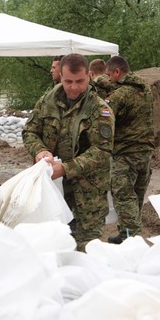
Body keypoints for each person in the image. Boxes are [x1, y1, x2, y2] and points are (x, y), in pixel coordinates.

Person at [22, 53, 115, 250]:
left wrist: (65, 168)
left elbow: (102, 151)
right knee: (51, 244)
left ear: (89, 76)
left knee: (88, 249)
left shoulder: (99, 110)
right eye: (68, 81)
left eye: (80, 81)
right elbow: (30, 131)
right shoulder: (47, 102)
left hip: (88, 194)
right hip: (53, 189)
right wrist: (40, 151)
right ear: (61, 77)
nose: (74, 87)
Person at [103, 55, 155, 243]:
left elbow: (104, 117)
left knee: (123, 195)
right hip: (146, 152)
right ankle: (125, 232)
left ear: (117, 72)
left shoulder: (120, 95)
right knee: (137, 195)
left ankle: (133, 238)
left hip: (126, 152)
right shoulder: (145, 88)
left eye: (109, 75)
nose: (108, 79)